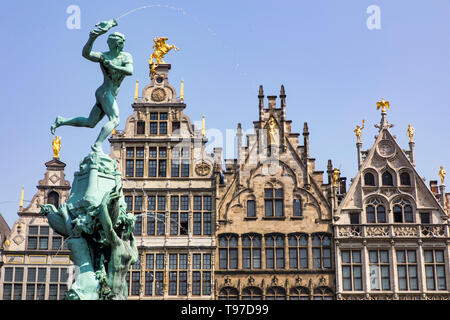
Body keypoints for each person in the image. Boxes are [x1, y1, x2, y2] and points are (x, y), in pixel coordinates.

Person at [51, 20, 134, 153]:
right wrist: (92, 38)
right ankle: (97, 145)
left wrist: (112, 65)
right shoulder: (103, 56)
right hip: (105, 92)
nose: (124, 44)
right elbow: (86, 54)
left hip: (108, 93)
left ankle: (62, 120)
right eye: (122, 42)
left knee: (90, 122)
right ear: (118, 44)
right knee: (115, 119)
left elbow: (130, 71)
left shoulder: (125, 57)